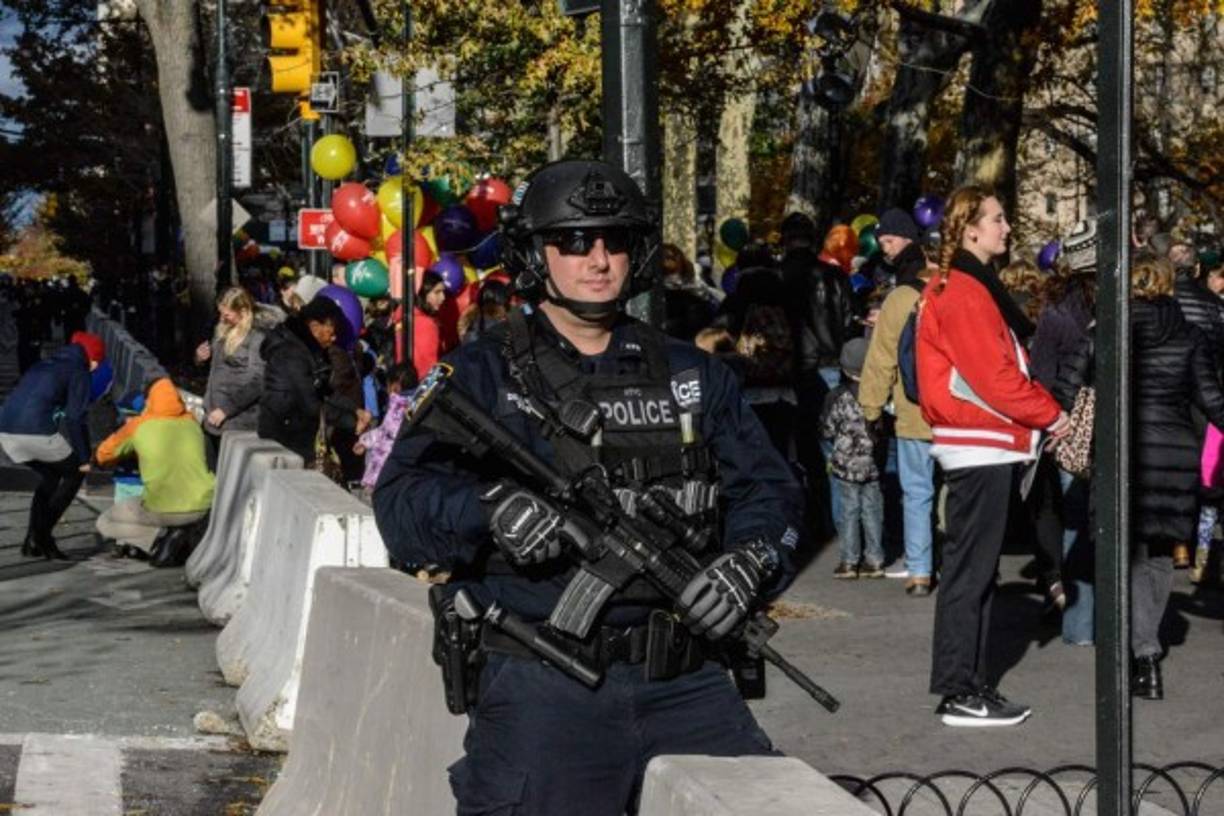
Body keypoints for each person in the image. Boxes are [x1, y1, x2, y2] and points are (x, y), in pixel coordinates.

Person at [373, 159, 803, 816]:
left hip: (684, 680)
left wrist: (751, 561)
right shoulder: (482, 375)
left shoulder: (690, 372)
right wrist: (487, 511)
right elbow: (399, 508)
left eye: (615, 241)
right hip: (543, 678)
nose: (598, 260)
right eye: (573, 241)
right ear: (534, 252)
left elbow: (770, 492)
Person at [915, 186, 1068, 727]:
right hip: (978, 442)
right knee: (971, 574)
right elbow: (996, 377)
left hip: (981, 441)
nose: (1007, 228)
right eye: (997, 219)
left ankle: (968, 685)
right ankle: (960, 689)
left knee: (974, 573)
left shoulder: (966, 286)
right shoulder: (963, 291)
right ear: (970, 229)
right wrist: (1052, 414)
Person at [857, 208, 936, 595]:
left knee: (917, 490)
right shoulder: (950, 289)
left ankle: (921, 569)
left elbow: (881, 359)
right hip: (956, 410)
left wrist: (870, 409)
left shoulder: (899, 297)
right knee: (954, 489)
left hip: (913, 407)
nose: (884, 248)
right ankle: (954, 560)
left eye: (889, 240)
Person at [0, 330, 105, 559]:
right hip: (35, 431)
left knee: (49, 477)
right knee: (74, 473)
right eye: (98, 362)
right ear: (93, 359)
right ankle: (42, 535)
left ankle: (32, 541)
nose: (96, 367)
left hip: (5, 431)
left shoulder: (45, 364)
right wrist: (85, 457)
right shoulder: (79, 370)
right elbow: (75, 417)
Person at [94, 378, 215, 557]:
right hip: (203, 505)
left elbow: (103, 454)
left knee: (104, 523)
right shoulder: (193, 424)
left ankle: (156, 538)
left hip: (162, 509)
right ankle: (179, 535)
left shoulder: (140, 425)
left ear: (149, 400)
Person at [257, 295, 371, 466]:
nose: (333, 339)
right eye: (331, 334)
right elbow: (310, 404)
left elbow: (324, 388)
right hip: (283, 434)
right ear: (315, 326)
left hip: (299, 430)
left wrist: (355, 410)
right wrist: (351, 422)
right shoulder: (291, 353)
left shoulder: (312, 350)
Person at [822, 338, 885, 579]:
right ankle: (875, 559)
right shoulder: (878, 393)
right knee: (873, 510)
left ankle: (849, 562)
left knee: (849, 510)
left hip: (845, 465)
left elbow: (826, 429)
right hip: (873, 464)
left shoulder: (836, 396)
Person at [195, 287, 277, 470]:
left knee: (229, 474)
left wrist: (226, 409)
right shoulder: (222, 331)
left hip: (237, 421)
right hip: (212, 416)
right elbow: (219, 369)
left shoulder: (257, 337)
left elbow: (258, 381)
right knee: (211, 470)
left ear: (243, 312)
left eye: (228, 315)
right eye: (221, 314)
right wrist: (201, 359)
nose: (223, 319)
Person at [412, 271, 453, 377]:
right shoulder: (426, 325)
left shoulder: (407, 317)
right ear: (423, 293)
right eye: (437, 292)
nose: (443, 297)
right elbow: (428, 368)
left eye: (443, 292)